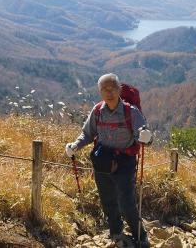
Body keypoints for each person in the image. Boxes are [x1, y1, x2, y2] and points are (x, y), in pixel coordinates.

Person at [65, 73, 152, 248]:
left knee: (126, 203)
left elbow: (145, 138)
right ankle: (116, 233)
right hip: (102, 161)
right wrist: (75, 146)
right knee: (107, 201)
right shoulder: (97, 111)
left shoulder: (131, 112)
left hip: (125, 162)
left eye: (112, 87)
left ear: (119, 89)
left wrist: (146, 137)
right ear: (100, 91)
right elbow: (87, 133)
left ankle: (140, 236)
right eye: (104, 88)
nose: (109, 91)